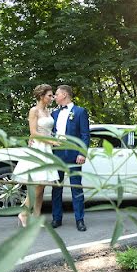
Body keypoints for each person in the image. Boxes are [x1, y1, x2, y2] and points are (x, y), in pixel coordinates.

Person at [13, 84, 59, 227]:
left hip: (47, 149)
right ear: (41, 96)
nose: (52, 98)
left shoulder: (48, 111)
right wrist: (51, 141)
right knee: (38, 184)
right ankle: (23, 213)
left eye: (52, 95)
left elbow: (48, 130)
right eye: (49, 95)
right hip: (38, 148)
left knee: (43, 184)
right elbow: (33, 132)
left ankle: (36, 216)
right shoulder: (34, 110)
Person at [50, 84, 90, 231]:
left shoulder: (80, 112)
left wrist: (82, 153)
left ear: (64, 95)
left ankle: (80, 220)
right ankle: (56, 218)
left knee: (76, 187)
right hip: (57, 154)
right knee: (56, 187)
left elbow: (85, 135)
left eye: (57, 94)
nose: (55, 97)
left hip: (74, 154)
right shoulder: (54, 114)